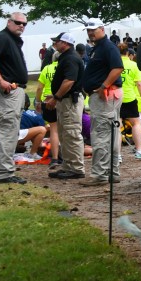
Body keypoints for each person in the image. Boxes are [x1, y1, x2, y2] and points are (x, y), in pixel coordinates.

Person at [81, 18, 124, 184]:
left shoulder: (107, 47)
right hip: (105, 97)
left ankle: (99, 174)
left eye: (93, 29)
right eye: (88, 30)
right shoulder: (98, 47)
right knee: (111, 134)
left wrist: (103, 86)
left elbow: (118, 67)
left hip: (105, 97)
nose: (90, 32)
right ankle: (112, 172)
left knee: (101, 135)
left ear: (102, 29)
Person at [0, 12, 30, 184]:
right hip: (8, 92)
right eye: (17, 22)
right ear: (9, 22)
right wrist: (0, 80)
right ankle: (5, 173)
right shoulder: (3, 38)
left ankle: (4, 169)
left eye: (24, 24)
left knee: (10, 130)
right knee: (8, 130)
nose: (21, 25)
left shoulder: (12, 40)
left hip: (15, 91)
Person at [46, 32, 86, 180]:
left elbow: (69, 81)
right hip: (66, 100)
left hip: (70, 101)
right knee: (64, 134)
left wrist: (56, 97)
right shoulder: (67, 57)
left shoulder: (70, 58)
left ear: (65, 43)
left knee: (72, 133)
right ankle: (68, 166)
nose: (55, 44)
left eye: (57, 41)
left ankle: (76, 168)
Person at [119, 45, 141, 160]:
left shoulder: (113, 65)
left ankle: (117, 155)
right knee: (136, 124)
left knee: (117, 126)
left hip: (116, 98)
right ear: (128, 53)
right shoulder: (133, 65)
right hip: (130, 98)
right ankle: (139, 150)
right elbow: (139, 84)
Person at [36, 48, 61, 167]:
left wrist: (37, 101)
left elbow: (39, 88)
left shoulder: (47, 68)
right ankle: (66, 156)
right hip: (62, 100)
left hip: (47, 100)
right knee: (65, 130)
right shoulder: (65, 67)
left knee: (53, 130)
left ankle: (55, 158)